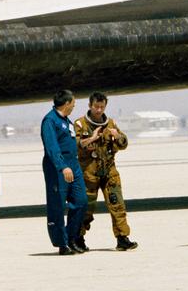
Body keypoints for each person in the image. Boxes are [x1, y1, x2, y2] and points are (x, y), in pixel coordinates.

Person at [74, 92, 138, 251]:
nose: (99, 110)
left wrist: (118, 136)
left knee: (117, 205)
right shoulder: (80, 124)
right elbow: (75, 144)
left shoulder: (110, 123)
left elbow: (123, 144)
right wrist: (92, 139)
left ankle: (122, 238)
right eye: (96, 106)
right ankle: (78, 238)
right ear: (90, 106)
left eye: (102, 107)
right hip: (89, 173)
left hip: (109, 171)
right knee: (86, 207)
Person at [40, 88, 88, 255]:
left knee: (81, 200)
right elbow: (52, 147)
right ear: (67, 103)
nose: (75, 105)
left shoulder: (67, 121)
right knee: (58, 206)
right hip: (58, 169)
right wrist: (62, 166)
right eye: (73, 102)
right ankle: (62, 244)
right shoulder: (50, 121)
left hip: (73, 166)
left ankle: (72, 237)